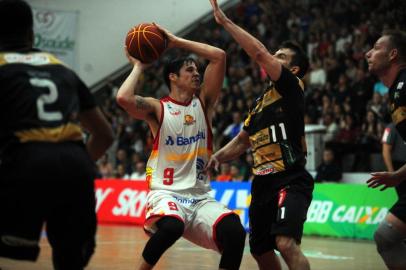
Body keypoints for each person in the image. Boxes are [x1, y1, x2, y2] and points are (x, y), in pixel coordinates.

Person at [116, 23, 245, 270]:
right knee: (172, 226)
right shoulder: (157, 107)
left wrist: (175, 41)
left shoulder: (205, 102)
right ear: (173, 78)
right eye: (189, 70)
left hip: (199, 196)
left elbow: (219, 56)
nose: (196, 73)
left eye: (197, 70)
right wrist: (138, 66)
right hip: (166, 193)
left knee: (236, 233)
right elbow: (123, 98)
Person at [0, 1, 114, 269]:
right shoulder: (62, 69)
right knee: (70, 260)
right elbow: (105, 134)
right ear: (32, 33)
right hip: (76, 166)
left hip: (27, 163)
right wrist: (76, 163)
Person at [206, 1, 313, 270]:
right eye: (274, 54)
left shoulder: (291, 86)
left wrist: (226, 22)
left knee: (286, 243)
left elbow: (259, 52)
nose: (273, 58)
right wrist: (217, 158)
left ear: (294, 69)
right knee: (260, 250)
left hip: (290, 178)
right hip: (262, 183)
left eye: (281, 57)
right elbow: (242, 141)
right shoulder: (259, 102)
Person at [365, 30, 406, 270]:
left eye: (376, 47)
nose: (368, 53)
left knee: (386, 236)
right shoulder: (394, 91)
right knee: (387, 238)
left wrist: (399, 175)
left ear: (393, 54)